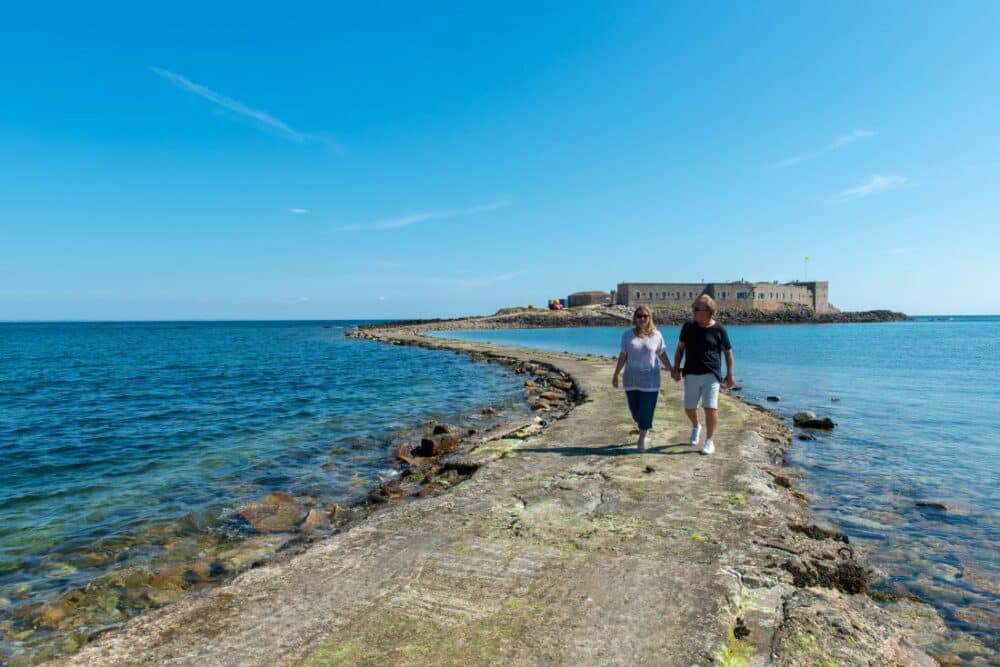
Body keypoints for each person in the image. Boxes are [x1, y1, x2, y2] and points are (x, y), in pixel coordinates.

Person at [670, 295, 734, 455]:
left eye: (696, 309)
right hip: (691, 372)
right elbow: (680, 349)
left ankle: (709, 441)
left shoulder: (719, 330)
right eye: (694, 308)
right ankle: (696, 426)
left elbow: (728, 352)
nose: (693, 311)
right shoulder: (688, 327)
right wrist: (675, 368)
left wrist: (730, 374)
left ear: (708, 311)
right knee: (689, 407)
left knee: (710, 407)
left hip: (712, 374)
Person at [612, 306, 675, 452]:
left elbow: (661, 354)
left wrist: (671, 369)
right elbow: (623, 356)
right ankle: (643, 427)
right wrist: (616, 374)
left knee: (646, 410)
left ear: (650, 318)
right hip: (631, 379)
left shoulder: (657, 335)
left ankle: (641, 439)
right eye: (639, 316)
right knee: (635, 411)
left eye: (645, 316)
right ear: (635, 318)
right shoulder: (627, 335)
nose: (642, 319)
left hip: (650, 380)